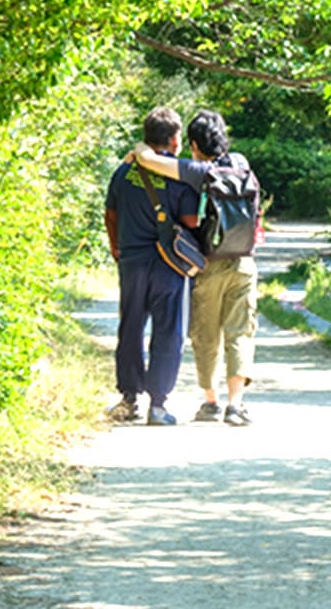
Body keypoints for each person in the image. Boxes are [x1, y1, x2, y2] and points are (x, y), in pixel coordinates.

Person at [131, 108, 260, 426]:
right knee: (240, 333)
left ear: (192, 143)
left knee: (205, 335)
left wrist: (136, 149)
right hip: (244, 260)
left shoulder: (197, 169)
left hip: (208, 264)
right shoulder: (241, 164)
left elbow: (149, 160)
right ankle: (236, 405)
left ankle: (211, 402)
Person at [103, 105, 201, 426]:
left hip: (131, 260)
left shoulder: (124, 172)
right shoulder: (179, 175)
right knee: (168, 331)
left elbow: (111, 214)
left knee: (130, 326)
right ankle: (158, 406)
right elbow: (189, 220)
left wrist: (117, 247)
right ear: (174, 140)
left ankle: (128, 398)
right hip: (168, 265)